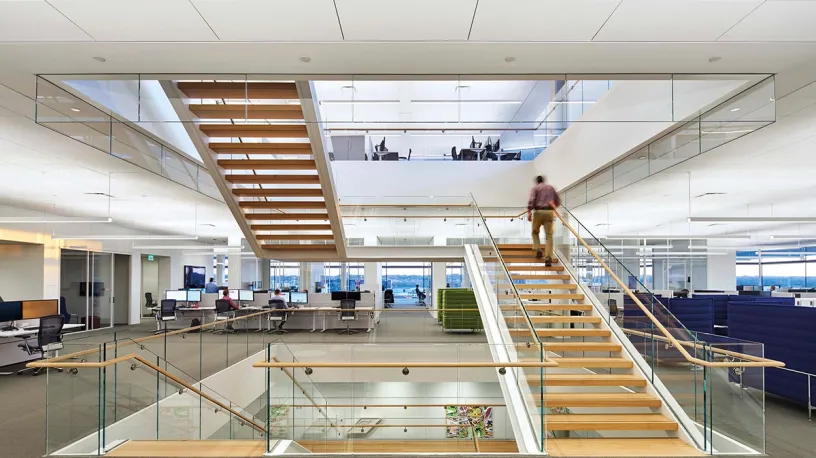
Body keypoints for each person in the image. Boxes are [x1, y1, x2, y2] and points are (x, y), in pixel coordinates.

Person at [527, 175, 560, 266]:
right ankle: (548, 258)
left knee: (535, 232)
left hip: (538, 211)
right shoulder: (551, 188)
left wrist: (529, 212)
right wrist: (554, 205)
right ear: (543, 181)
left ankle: (538, 249)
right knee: (549, 236)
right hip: (550, 212)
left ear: (537, 182)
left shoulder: (535, 188)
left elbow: (532, 200)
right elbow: (557, 200)